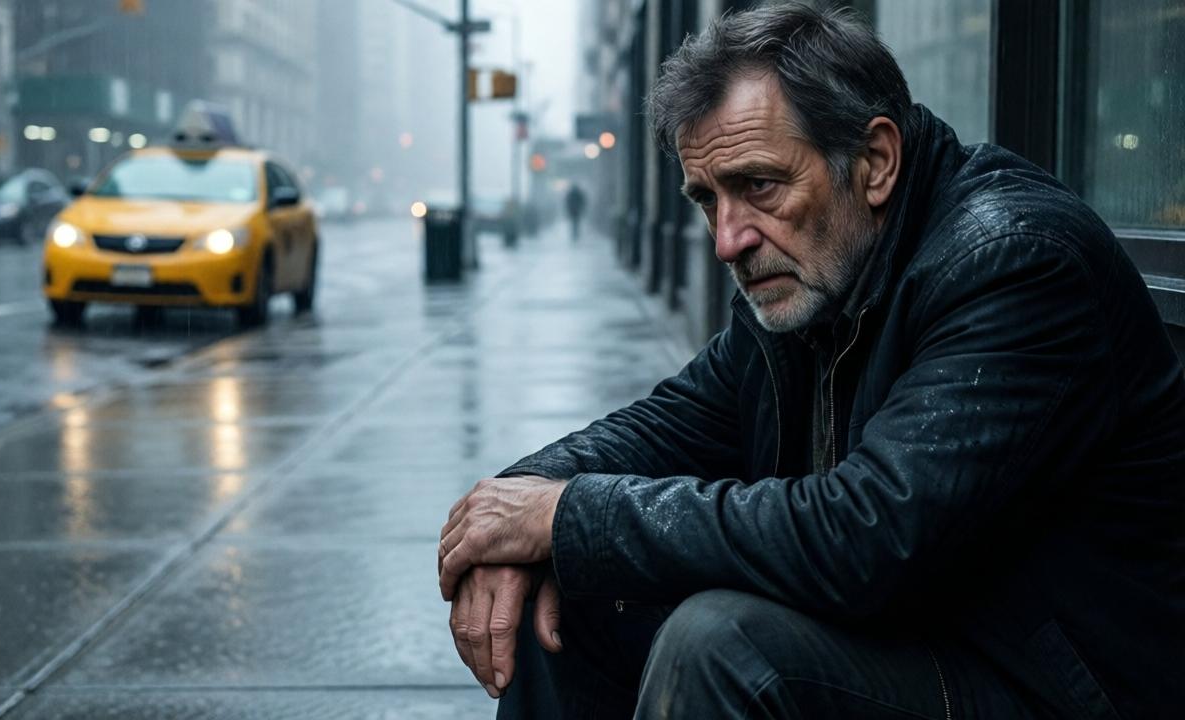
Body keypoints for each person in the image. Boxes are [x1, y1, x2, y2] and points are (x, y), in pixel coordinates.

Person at [437, 4, 1185, 718]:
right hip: (923, 642)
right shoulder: (812, 276)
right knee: (575, 597)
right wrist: (517, 505)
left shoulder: (1014, 261)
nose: (729, 238)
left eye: (758, 185)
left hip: (1049, 691)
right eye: (707, 199)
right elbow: (669, 422)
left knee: (721, 645)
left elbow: (869, 537)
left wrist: (566, 517)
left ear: (877, 161)